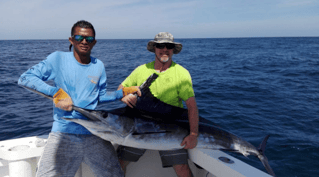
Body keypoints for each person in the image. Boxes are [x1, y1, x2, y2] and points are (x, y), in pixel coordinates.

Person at [18, 20, 140, 177]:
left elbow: (99, 97)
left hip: (94, 131)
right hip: (64, 133)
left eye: (89, 39)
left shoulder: (99, 66)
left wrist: (121, 93)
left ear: (94, 42)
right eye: (79, 37)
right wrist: (56, 92)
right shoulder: (58, 59)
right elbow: (25, 78)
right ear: (71, 40)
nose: (84, 42)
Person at [117, 32, 199, 177]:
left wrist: (193, 134)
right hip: (140, 127)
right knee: (118, 163)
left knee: (182, 168)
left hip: (169, 129)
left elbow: (191, 106)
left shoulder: (181, 73)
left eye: (169, 46)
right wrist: (124, 96)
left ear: (173, 49)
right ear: (154, 48)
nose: (165, 49)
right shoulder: (141, 70)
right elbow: (120, 88)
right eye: (161, 45)